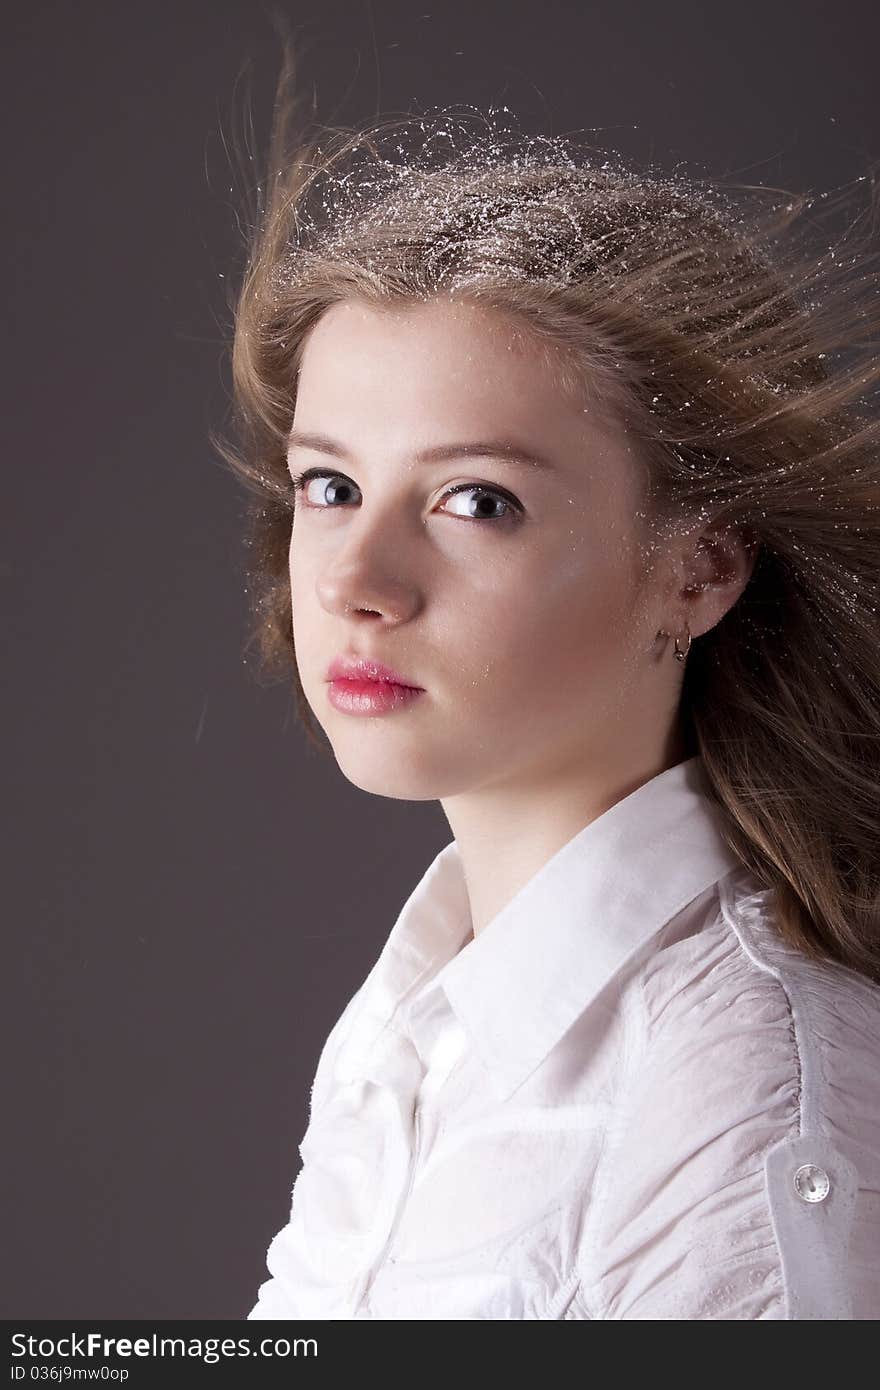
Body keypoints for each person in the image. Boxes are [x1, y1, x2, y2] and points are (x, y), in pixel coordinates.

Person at [214, 46, 880, 1320]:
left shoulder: (735, 1092)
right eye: (330, 486)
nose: (359, 579)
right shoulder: (415, 1021)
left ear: (699, 570)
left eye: (477, 500)